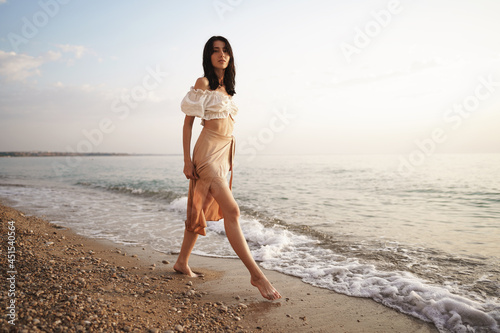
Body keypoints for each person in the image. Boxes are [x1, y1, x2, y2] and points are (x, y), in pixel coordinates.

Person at [173, 36, 281, 301]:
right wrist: (187, 160)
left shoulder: (228, 88)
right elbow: (188, 124)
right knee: (232, 210)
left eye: (225, 51)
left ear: (230, 56)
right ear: (208, 57)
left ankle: (181, 262)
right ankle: (256, 275)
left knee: (200, 205)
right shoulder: (204, 83)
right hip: (207, 153)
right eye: (215, 51)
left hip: (223, 154)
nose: (221, 54)